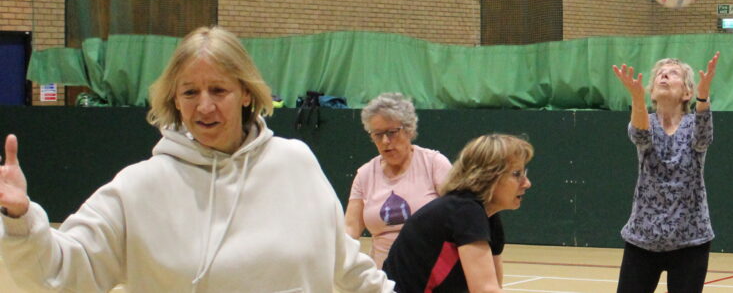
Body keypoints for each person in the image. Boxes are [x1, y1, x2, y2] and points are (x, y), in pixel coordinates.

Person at [0, 26, 391, 292]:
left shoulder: (295, 163)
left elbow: (343, 260)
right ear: (174, 100)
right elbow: (62, 269)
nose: (204, 106)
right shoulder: (140, 187)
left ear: (246, 94)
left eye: (218, 89)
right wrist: (20, 221)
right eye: (190, 92)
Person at [608, 53, 719, 293]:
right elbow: (639, 135)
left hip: (690, 240)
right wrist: (636, 97)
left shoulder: (692, 125)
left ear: (687, 93)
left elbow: (703, 137)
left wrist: (704, 95)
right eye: (659, 73)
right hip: (643, 238)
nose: (664, 75)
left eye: (673, 73)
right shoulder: (646, 121)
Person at [382, 134, 533, 293]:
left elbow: (494, 286)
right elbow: (484, 290)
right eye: (516, 174)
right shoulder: (465, 210)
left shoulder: (489, 216)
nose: (526, 183)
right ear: (488, 176)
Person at [345, 92, 453, 268]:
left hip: (430, 274)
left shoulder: (434, 164)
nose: (386, 141)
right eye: (378, 134)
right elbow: (350, 229)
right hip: (384, 277)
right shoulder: (365, 174)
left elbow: (460, 215)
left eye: (392, 132)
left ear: (409, 130)